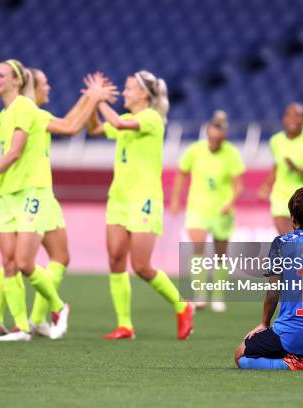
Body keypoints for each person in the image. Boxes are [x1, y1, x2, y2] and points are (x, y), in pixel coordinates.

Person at [0, 59, 113, 341]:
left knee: (33, 260)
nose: (49, 87)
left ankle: (26, 319)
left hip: (35, 192)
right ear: (31, 86)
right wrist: (90, 98)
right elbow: (72, 125)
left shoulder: (27, 113)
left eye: (1, 75)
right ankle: (24, 320)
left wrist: (90, 98)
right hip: (26, 192)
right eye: (44, 83)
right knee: (17, 261)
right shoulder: (23, 113)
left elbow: (72, 125)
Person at [87, 71, 194, 340]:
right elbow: (94, 129)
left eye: (129, 88)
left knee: (142, 265)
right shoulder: (124, 118)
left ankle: (182, 306)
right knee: (115, 258)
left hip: (144, 199)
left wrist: (98, 99)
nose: (124, 92)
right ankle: (125, 325)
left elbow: (118, 125)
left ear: (144, 94)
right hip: (119, 198)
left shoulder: (151, 118)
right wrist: (92, 104)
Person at [234, 187, 303, 370]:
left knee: (241, 354)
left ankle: (292, 363)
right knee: (299, 340)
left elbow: (273, 292)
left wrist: (264, 323)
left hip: (292, 335)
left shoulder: (283, 244)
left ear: (293, 218)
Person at [170, 110, 244, 312]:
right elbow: (181, 175)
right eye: (210, 138)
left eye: (216, 139)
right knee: (197, 247)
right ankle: (199, 293)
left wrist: (231, 202)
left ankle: (218, 295)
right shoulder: (195, 150)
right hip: (198, 207)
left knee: (221, 253)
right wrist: (175, 199)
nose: (212, 142)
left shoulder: (231, 154)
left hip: (221, 210)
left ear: (223, 137)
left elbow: (239, 185)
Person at [257, 103, 303, 235]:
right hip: (280, 196)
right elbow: (277, 166)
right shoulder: (276, 140)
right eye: (289, 115)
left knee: (299, 241)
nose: (293, 119)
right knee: (286, 238)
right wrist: (266, 185)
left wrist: (299, 170)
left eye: (298, 116)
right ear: (284, 118)